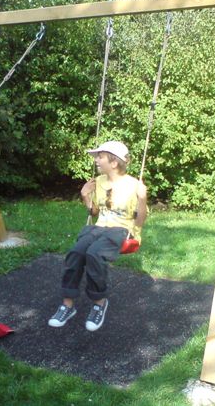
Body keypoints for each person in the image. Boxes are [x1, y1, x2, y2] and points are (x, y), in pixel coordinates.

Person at [48, 141, 147, 331]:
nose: (96, 160)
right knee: (76, 253)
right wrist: (86, 196)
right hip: (99, 227)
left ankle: (99, 303)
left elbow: (140, 221)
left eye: (100, 157)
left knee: (94, 254)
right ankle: (67, 305)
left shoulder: (134, 185)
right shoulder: (99, 181)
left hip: (121, 230)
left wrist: (142, 199)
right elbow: (94, 213)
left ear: (114, 162)